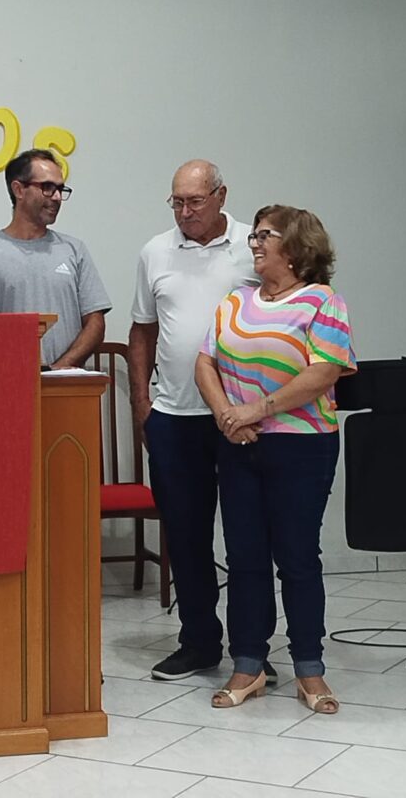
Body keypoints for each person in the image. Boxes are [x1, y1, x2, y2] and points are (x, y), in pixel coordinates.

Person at [195, 205, 356, 713]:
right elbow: (205, 362)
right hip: (239, 444)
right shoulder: (235, 301)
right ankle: (249, 665)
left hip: (302, 446)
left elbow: (323, 372)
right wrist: (227, 416)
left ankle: (310, 668)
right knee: (244, 558)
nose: (255, 242)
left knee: (298, 558)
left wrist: (256, 410)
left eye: (267, 235)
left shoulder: (322, 301)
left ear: (297, 245)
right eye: (256, 235)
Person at [128, 160, 278, 682]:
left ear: (221, 196)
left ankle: (252, 650)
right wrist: (142, 404)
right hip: (173, 417)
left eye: (194, 201)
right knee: (187, 537)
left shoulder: (253, 246)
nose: (185, 212)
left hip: (241, 418)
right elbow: (142, 330)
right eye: (177, 202)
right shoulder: (155, 252)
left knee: (248, 538)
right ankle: (198, 643)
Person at [0, 149, 110, 368]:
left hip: (67, 384)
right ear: (19, 189)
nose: (57, 197)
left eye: (60, 189)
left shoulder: (74, 250)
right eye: (47, 187)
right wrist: (24, 376)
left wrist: (57, 371)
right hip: (8, 382)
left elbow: (95, 323)